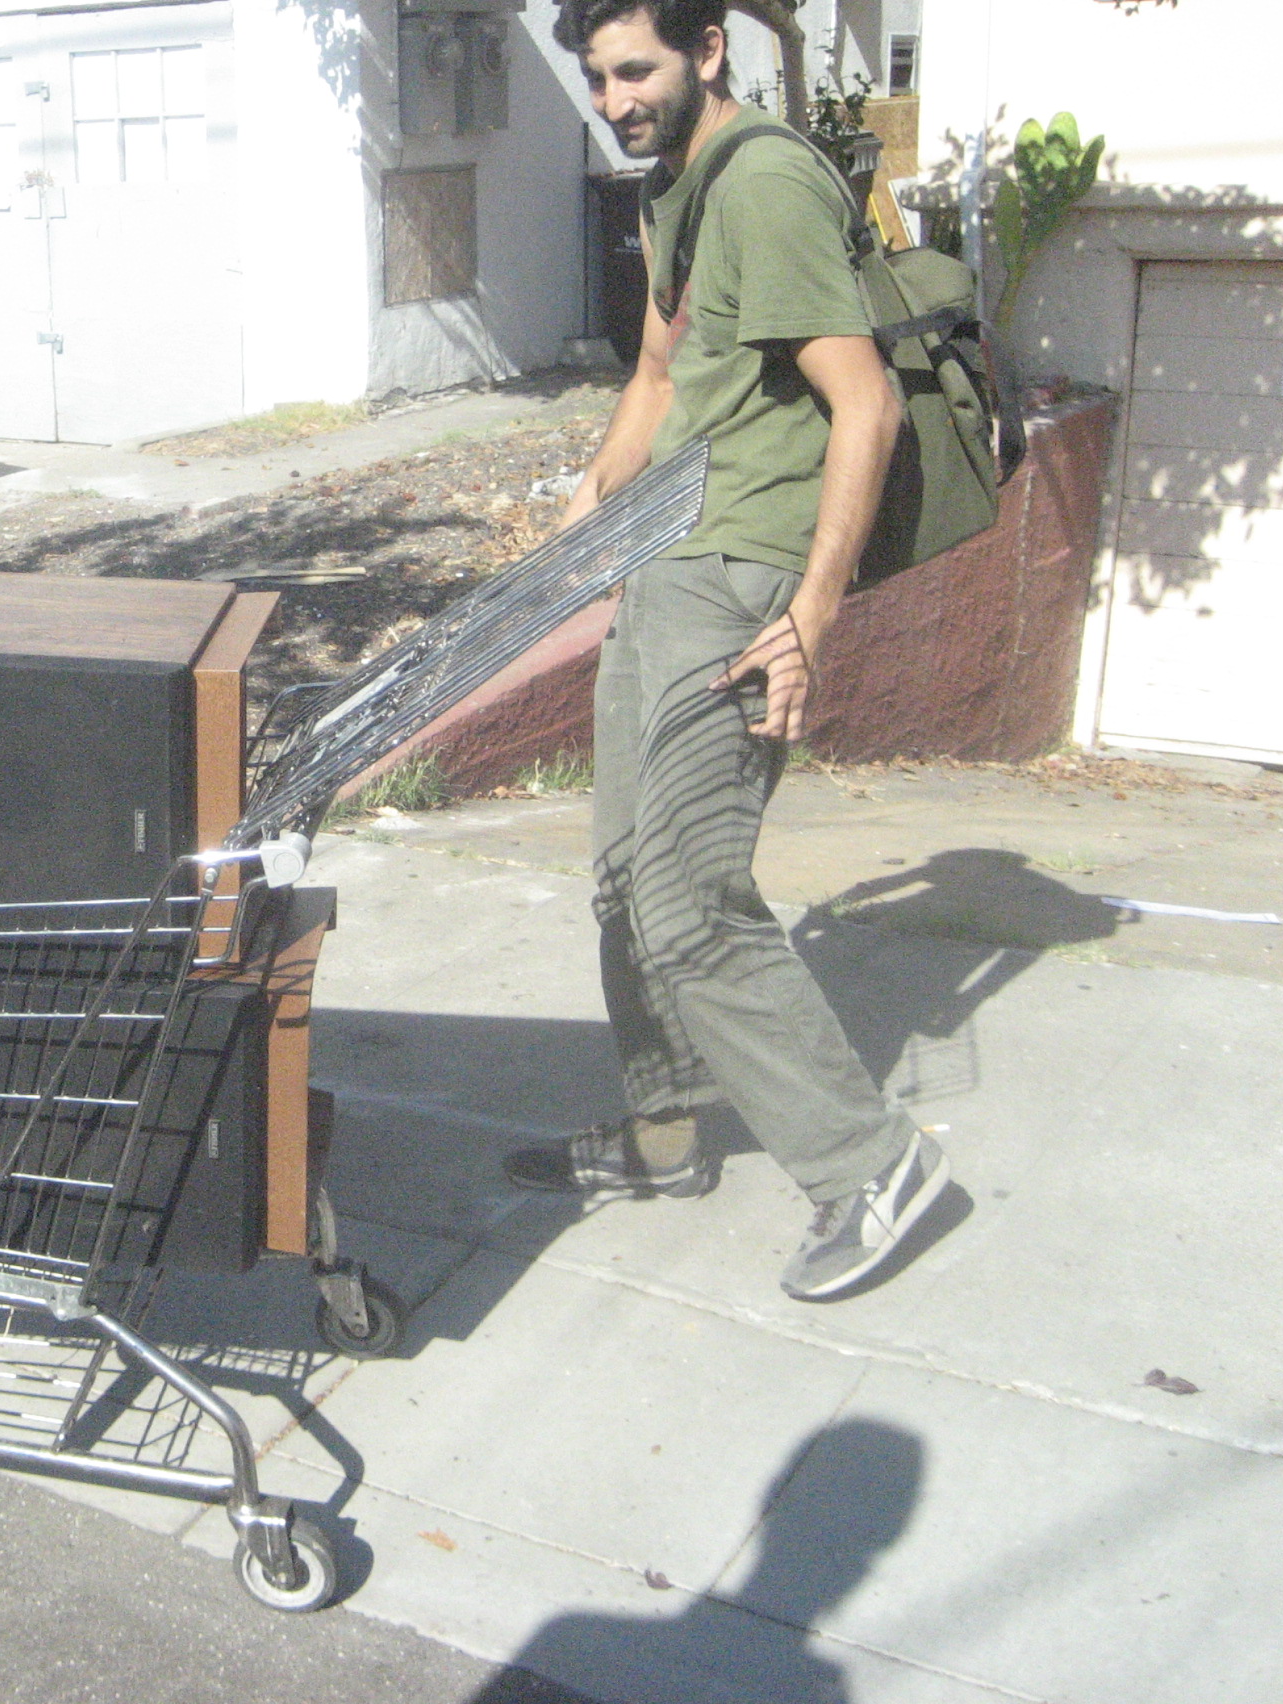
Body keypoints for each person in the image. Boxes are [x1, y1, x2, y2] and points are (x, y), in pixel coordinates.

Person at [501, 0, 952, 1300]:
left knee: (691, 894)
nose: (614, 100)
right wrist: (586, 511)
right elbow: (658, 374)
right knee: (624, 876)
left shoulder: (762, 184)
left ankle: (872, 1165)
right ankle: (665, 1134)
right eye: (597, 77)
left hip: (745, 570)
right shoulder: (673, 189)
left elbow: (864, 403)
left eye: (634, 70)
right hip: (665, 553)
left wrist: (810, 615)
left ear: (708, 51)